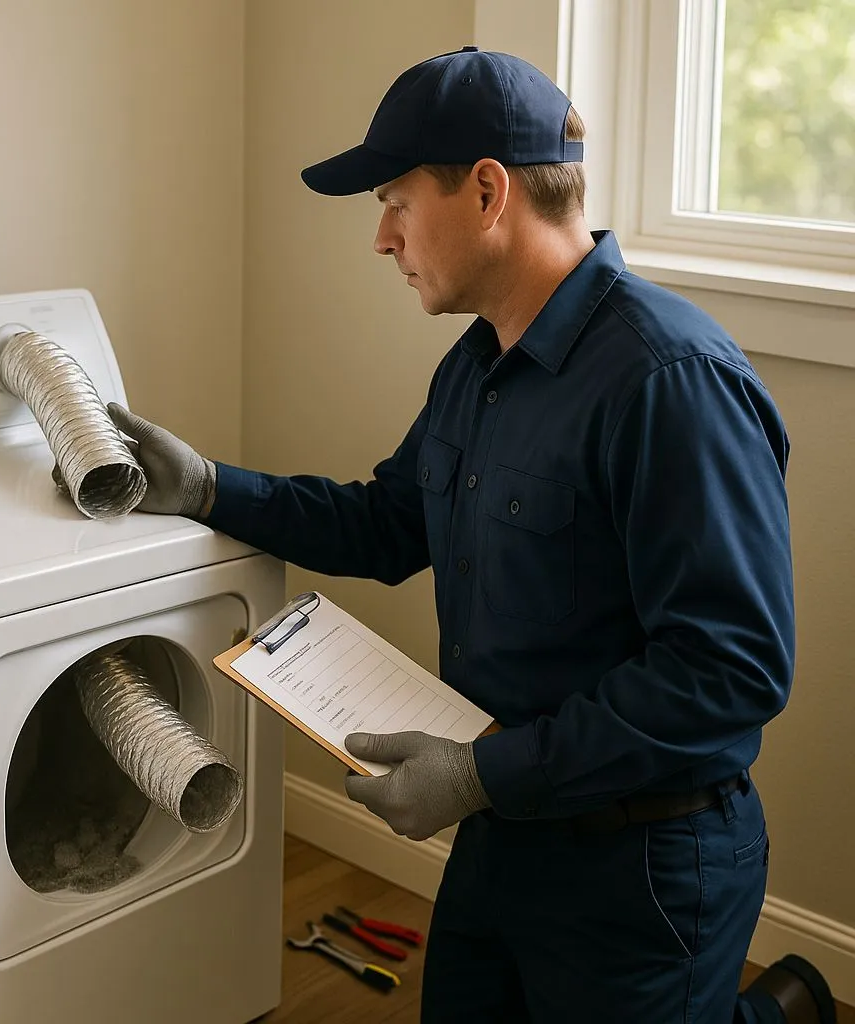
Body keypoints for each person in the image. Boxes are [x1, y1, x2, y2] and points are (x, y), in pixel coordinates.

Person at [92, 47, 837, 1024]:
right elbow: (389, 520)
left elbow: (729, 672)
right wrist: (209, 488)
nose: (381, 238)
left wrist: (481, 773)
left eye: (396, 199)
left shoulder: (669, 382)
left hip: (641, 867)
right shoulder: (478, 365)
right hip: (502, 833)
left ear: (487, 191)